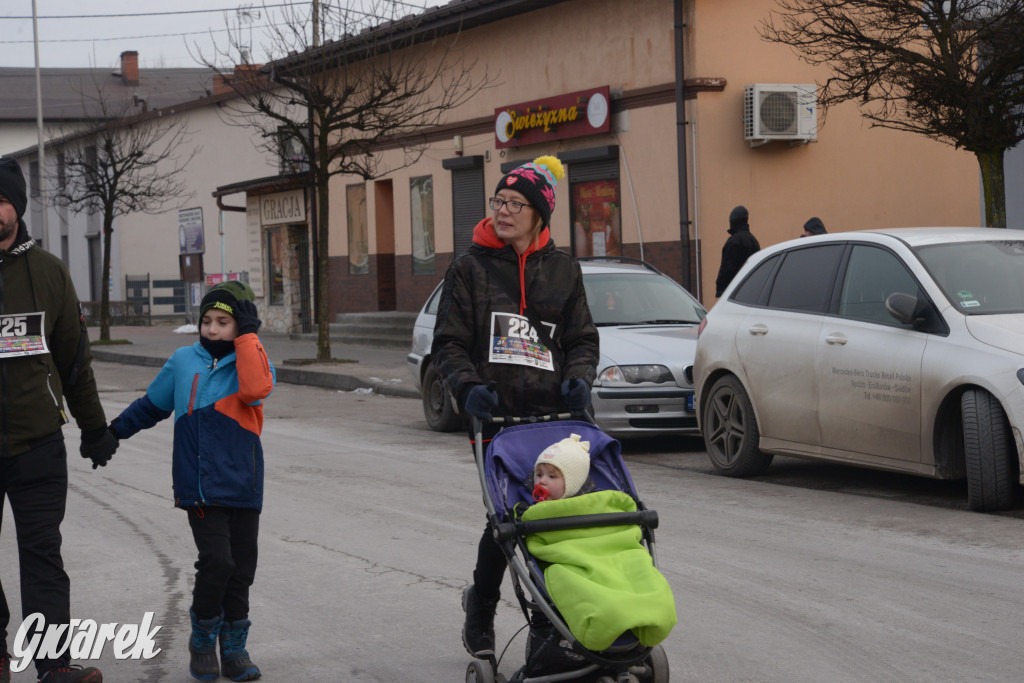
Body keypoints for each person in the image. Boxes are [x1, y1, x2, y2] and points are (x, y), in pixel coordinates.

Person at [431, 154, 600, 660]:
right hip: (495, 416)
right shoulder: (469, 269)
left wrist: (578, 381)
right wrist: (467, 389)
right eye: (499, 201)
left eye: (515, 204)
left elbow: (583, 340)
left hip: (555, 419)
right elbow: (448, 344)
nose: (503, 211)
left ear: (539, 214)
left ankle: (554, 615)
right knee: (507, 518)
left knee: (555, 514)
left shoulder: (563, 270)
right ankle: (482, 606)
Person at [107, 281, 275, 682]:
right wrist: (112, 433)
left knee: (241, 569)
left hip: (243, 482)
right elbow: (153, 405)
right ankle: (203, 639)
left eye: (223, 322)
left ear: (241, 326)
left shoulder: (251, 358)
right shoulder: (184, 360)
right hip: (198, 484)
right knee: (218, 561)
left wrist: (249, 337)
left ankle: (234, 650)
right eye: (206, 321)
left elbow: (255, 391)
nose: (213, 329)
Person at [0, 157, 116, 683]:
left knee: (43, 555)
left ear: (17, 209)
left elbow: (73, 358)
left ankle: (53, 667)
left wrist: (95, 429)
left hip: (37, 445)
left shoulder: (47, 273)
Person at [714, 205, 761, 297]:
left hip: (735, 293)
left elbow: (727, 270)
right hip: (752, 292)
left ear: (732, 221)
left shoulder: (733, 242)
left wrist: (720, 289)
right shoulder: (754, 241)